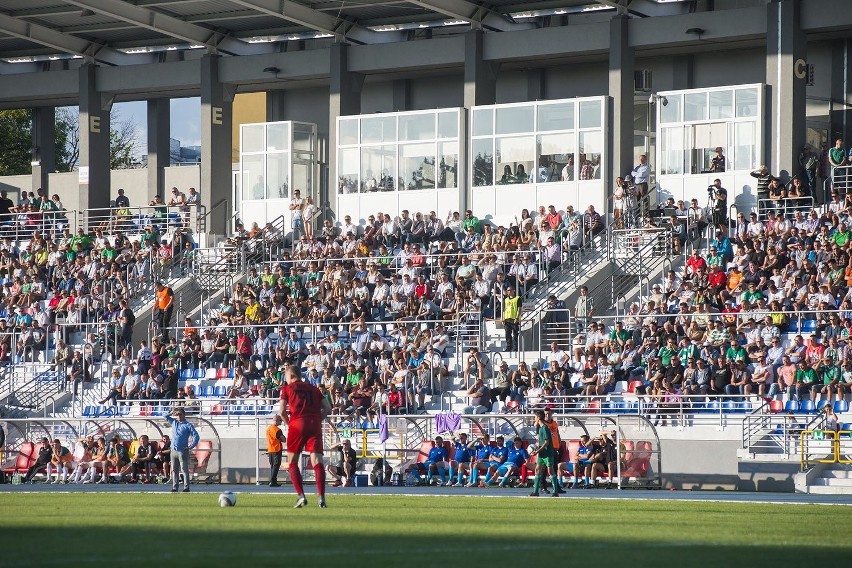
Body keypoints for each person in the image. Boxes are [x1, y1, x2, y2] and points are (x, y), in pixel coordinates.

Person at [279, 364, 332, 508]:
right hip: (314, 423)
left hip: (297, 423)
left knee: (292, 461)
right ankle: (321, 497)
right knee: (317, 460)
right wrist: (317, 419)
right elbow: (328, 408)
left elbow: (282, 411)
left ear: (290, 376)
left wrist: (290, 424)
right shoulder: (314, 389)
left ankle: (301, 496)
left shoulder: (287, 388)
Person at [165, 407, 199, 493]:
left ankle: (186, 487)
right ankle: (175, 487)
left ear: (184, 415)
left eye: (180, 414)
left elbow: (196, 436)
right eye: (177, 414)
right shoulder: (174, 422)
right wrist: (171, 412)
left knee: (184, 469)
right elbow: (164, 416)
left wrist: (190, 446)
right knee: (174, 470)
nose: (178, 416)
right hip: (173, 450)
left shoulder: (188, 425)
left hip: (182, 450)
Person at [528, 410, 559, 497]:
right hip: (542, 454)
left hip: (548, 453)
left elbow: (547, 442)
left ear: (538, 417)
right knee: (537, 469)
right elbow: (542, 442)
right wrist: (537, 450)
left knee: (550, 471)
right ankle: (535, 491)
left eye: (535, 417)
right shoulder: (541, 428)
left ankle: (555, 491)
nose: (534, 419)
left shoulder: (545, 428)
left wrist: (537, 451)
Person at [266, 414, 286, 487]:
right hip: (276, 449)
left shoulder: (268, 429)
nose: (281, 422)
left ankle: (272, 481)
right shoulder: (277, 430)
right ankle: (273, 482)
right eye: (280, 420)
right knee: (276, 466)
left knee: (272, 466)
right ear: (276, 420)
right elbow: (284, 439)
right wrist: (281, 439)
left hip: (270, 449)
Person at [502, 286, 521, 353]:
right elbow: (504, 309)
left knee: (515, 334)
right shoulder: (506, 299)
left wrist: (517, 317)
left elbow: (519, 309)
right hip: (507, 318)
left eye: (510, 290)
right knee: (507, 333)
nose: (509, 292)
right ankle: (508, 347)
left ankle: (515, 348)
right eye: (508, 290)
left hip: (514, 318)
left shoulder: (517, 298)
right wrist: (503, 318)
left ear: (513, 290)